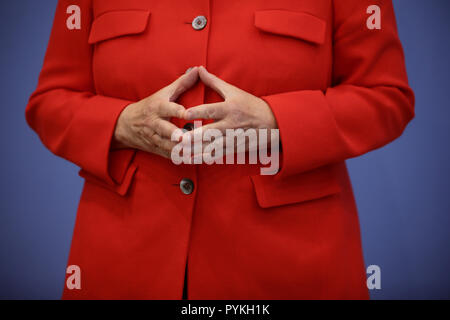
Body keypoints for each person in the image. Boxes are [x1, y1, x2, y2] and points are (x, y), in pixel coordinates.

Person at [26, 0, 414, 300]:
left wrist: (276, 119)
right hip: (122, 264)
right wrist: (122, 124)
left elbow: (386, 96)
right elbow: (50, 102)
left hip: (290, 267)